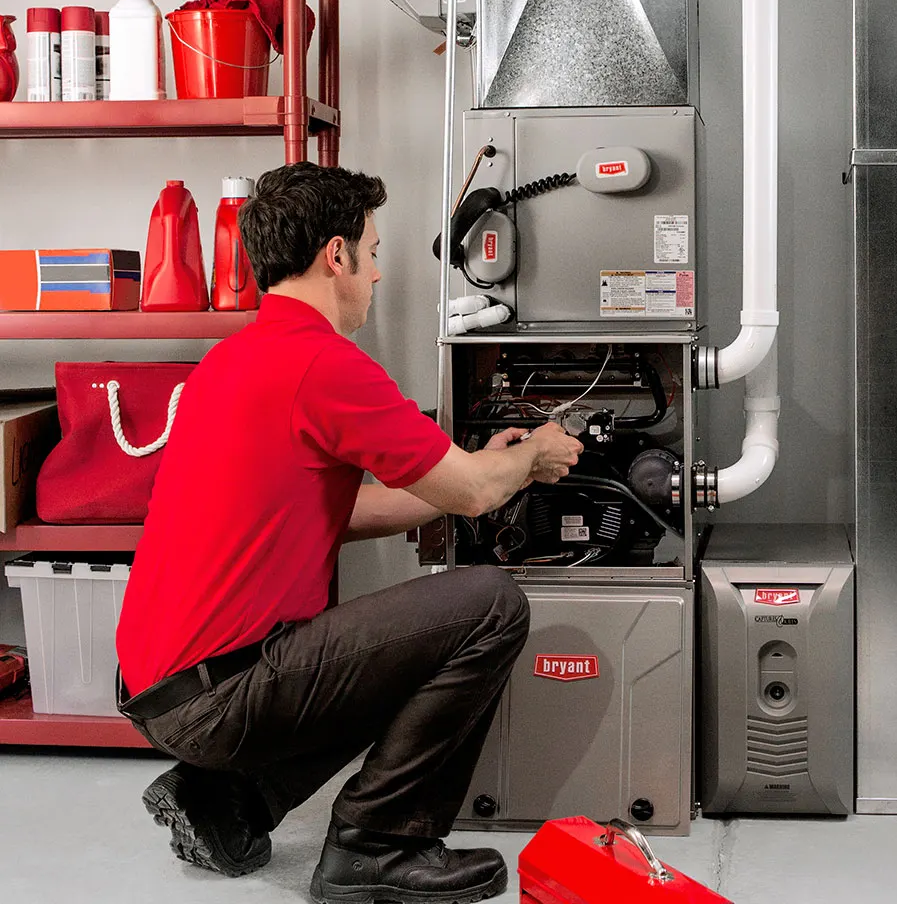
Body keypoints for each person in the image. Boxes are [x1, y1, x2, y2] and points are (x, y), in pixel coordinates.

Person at [114, 162, 583, 904]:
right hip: (221, 696)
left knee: (383, 648)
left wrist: (460, 486)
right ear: (336, 255)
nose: (378, 273)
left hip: (159, 691)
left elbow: (338, 508)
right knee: (491, 603)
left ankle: (225, 801)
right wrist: (534, 457)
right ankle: (379, 845)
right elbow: (473, 491)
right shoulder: (324, 363)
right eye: (372, 251)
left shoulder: (230, 360)